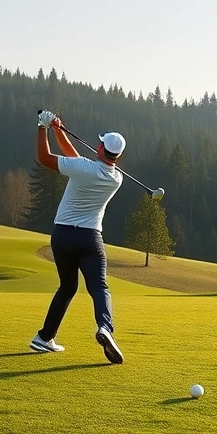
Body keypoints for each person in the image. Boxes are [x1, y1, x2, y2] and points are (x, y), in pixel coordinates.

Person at [29, 110, 125, 364]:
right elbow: (75, 159)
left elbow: (44, 158)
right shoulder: (117, 178)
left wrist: (43, 127)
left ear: (100, 146)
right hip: (89, 239)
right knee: (99, 286)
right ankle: (105, 327)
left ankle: (44, 338)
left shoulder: (83, 168)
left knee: (68, 286)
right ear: (118, 156)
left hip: (61, 236)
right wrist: (59, 129)